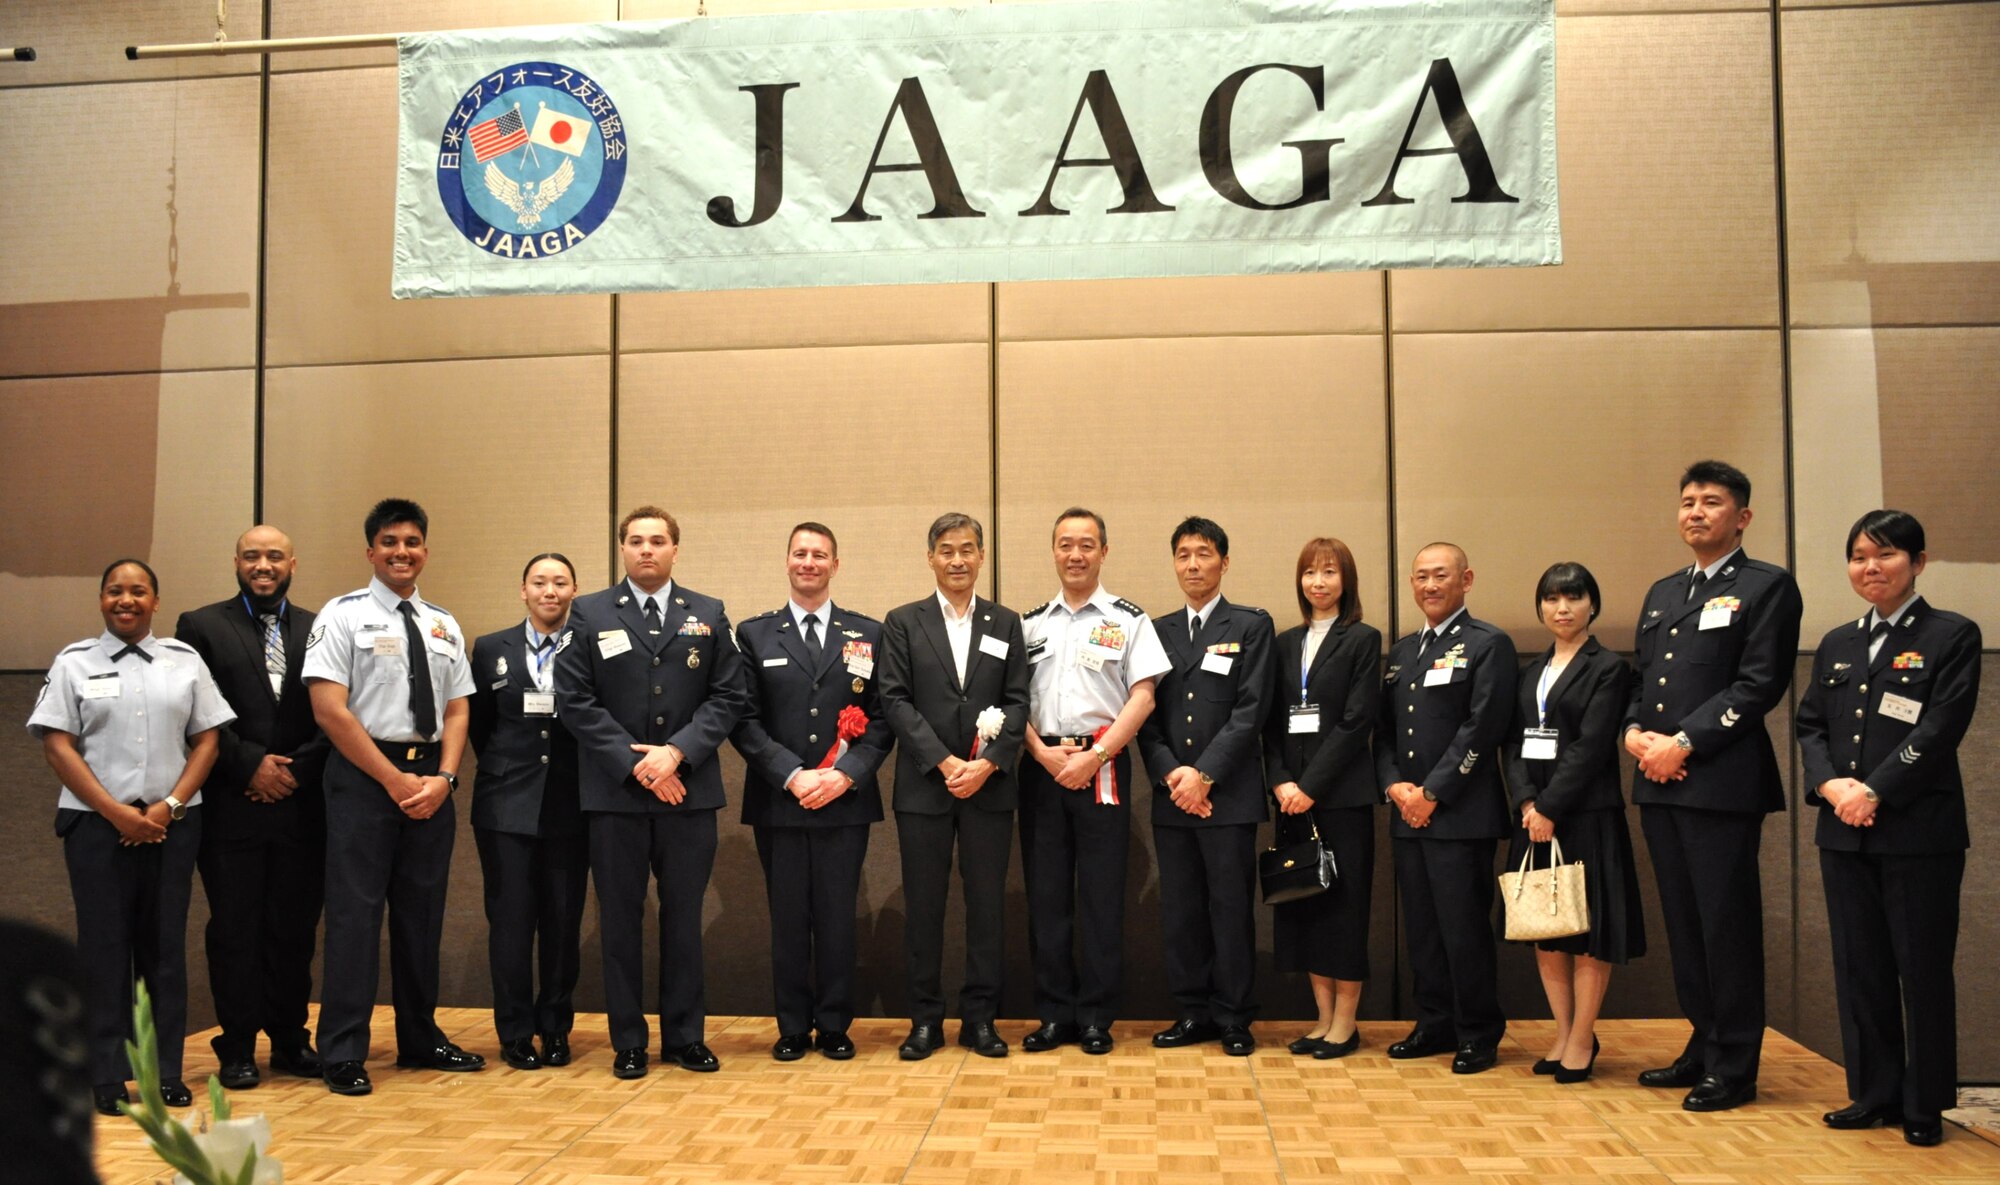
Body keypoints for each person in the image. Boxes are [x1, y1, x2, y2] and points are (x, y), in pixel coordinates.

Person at [1796, 510, 1980, 1147]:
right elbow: (1810, 726)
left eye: (1885, 555)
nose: (1870, 567)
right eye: (1858, 557)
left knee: (1920, 968)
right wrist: (1831, 787)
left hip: (1918, 832)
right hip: (1844, 830)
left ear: (1918, 562)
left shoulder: (1951, 634)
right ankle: (1873, 1093)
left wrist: (1873, 790)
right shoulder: (1838, 642)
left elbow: (1941, 727)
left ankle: (1924, 1103)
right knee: (1860, 966)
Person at [1625, 460, 1801, 1112]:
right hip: (1659, 780)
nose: (1695, 511)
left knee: (1726, 925)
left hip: (1721, 783)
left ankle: (1734, 1065)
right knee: (1686, 924)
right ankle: (1703, 1043)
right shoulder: (1664, 591)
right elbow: (1643, 679)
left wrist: (1684, 742)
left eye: (1711, 501)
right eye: (1688, 501)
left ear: (1742, 517)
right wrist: (1633, 731)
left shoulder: (1766, 586)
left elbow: (1758, 685)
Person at [30, 558, 234, 1115]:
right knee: (103, 949)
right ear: (101, 599)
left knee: (164, 949)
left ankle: (164, 1070)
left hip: (172, 827)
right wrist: (115, 813)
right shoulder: (74, 662)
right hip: (96, 827)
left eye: (138, 591)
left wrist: (169, 806)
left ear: (155, 602)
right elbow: (57, 745)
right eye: (115, 591)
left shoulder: (184, 661)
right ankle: (105, 1073)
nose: (126, 600)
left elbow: (209, 740)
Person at [556, 506, 750, 1079]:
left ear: (675, 550)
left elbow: (729, 697)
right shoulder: (589, 612)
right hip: (615, 796)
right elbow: (575, 700)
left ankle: (686, 1037)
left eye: (658, 541)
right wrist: (637, 764)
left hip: (688, 793)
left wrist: (676, 754)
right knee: (619, 921)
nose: (647, 549)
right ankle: (629, 1041)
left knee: (683, 918)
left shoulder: (708, 612)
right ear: (622, 549)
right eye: (636, 540)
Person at [303, 498, 483, 1096]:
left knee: (422, 916)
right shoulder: (342, 616)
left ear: (425, 551)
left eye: (411, 542)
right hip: (364, 780)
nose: (401, 552)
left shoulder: (443, 623)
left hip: (430, 782)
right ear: (370, 551)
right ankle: (343, 1050)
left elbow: (458, 708)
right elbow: (329, 710)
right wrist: (390, 779)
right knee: (354, 916)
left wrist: (445, 779)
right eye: (389, 542)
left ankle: (420, 1037)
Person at [171, 525, 329, 1092]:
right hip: (231, 806)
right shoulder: (200, 625)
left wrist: (295, 770)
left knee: (294, 929)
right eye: (252, 556)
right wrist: (251, 766)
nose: (264, 565)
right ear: (236, 562)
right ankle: (236, 1045)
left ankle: (290, 1039)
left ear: (293, 564)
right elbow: (194, 710)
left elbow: (338, 710)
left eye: (275, 556)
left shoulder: (321, 626)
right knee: (235, 930)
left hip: (302, 807)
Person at [731, 523, 894, 1061]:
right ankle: (793, 1026)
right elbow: (743, 719)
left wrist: (845, 775)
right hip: (780, 800)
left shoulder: (868, 633)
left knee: (837, 917)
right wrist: (791, 773)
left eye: (819, 554)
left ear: (835, 565)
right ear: (787, 562)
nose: (809, 562)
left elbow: (882, 719)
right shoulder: (755, 635)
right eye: (800, 553)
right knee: (788, 918)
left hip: (844, 801)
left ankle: (836, 1023)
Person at [876, 512, 1030, 1061]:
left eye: (967, 549)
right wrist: (944, 762)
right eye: (946, 550)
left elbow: (1018, 702)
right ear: (930, 558)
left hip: (990, 789)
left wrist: (988, 764)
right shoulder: (903, 622)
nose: (957, 559)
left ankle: (980, 1019)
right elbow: (894, 699)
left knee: (987, 907)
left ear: (982, 556)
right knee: (924, 908)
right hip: (925, 788)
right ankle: (924, 1020)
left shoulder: (1006, 623)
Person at [1018, 508, 1169, 1056]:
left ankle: (1097, 1018)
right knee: (1047, 897)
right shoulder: (1030, 624)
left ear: (1104, 552)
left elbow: (1143, 698)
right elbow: (1012, 702)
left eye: (1086, 544)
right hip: (1042, 768)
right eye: (1065, 544)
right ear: (1053, 552)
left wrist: (1096, 755)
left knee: (1103, 898)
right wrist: (1041, 753)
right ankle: (1054, 1014)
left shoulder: (1130, 620)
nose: (1075, 554)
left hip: (1103, 767)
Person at [1135, 517, 1274, 1056]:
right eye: (1184, 555)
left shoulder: (1250, 625)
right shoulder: (1156, 630)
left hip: (1228, 796)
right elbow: (1144, 713)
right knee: (1182, 911)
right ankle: (1192, 1012)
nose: (1193, 564)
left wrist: (1205, 775)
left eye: (1204, 554)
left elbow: (1250, 711)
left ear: (1224, 562)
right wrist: (1174, 773)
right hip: (1173, 796)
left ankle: (1234, 1016)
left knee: (1230, 909)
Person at [1503, 562, 1645, 1084]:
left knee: (1587, 930)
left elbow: (1591, 746)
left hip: (1584, 813)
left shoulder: (1608, 668)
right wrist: (1526, 803)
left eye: (1573, 598)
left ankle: (1583, 1037)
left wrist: (1549, 807)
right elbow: (1513, 743)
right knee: (1545, 928)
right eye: (1552, 599)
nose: (1561, 608)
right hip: (1532, 816)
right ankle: (1562, 1033)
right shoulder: (1531, 671)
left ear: (1593, 605)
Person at [1376, 542, 1514, 1074]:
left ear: (1466, 580)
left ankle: (1477, 1031)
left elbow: (1482, 728)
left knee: (1463, 929)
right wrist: (1394, 786)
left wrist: (1432, 793)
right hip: (1407, 814)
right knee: (1423, 929)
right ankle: (1434, 1022)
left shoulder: (1487, 643)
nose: (1429, 585)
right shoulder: (1403, 652)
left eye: (1440, 575)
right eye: (1421, 577)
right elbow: (1384, 733)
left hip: (1460, 815)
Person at [468, 553, 587, 1071]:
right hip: (504, 806)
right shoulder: (490, 647)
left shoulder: (590, 645)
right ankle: (515, 1031)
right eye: (540, 582)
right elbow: (479, 726)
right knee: (510, 924)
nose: (549, 591)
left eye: (560, 582)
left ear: (574, 590)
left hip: (571, 804)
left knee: (562, 923)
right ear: (523, 590)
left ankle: (555, 1028)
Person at [1264, 537, 1381, 1059]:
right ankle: (1322, 1018)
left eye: (1329, 572)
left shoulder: (1363, 639)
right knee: (1306, 905)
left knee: (1345, 910)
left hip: (1341, 798)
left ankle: (1346, 1024)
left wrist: (1311, 787)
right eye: (1310, 572)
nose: (1318, 581)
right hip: (1290, 798)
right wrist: (1282, 781)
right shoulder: (1284, 643)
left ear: (1346, 580)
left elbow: (1356, 722)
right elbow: (1269, 721)